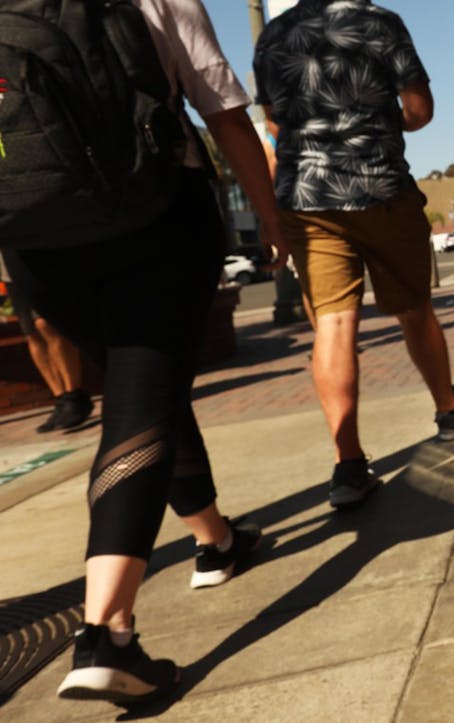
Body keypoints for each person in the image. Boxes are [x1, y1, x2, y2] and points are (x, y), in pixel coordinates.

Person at [3, 0, 289, 705]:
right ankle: (108, 632)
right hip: (155, 212)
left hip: (38, 238)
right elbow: (222, 109)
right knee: (141, 397)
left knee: (150, 386)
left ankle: (216, 538)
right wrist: (272, 217)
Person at [254, 0, 454, 510]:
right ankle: (450, 411)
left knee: (333, 325)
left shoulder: (272, 38)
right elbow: (419, 110)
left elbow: (275, 123)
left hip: (307, 199)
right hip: (380, 187)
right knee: (411, 309)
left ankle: (349, 465)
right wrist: (377, 123)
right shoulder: (378, 22)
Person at [0, 258, 94, 432]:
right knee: (31, 334)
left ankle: (74, 394)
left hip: (29, 262)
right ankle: (61, 398)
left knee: (46, 325)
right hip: (6, 272)